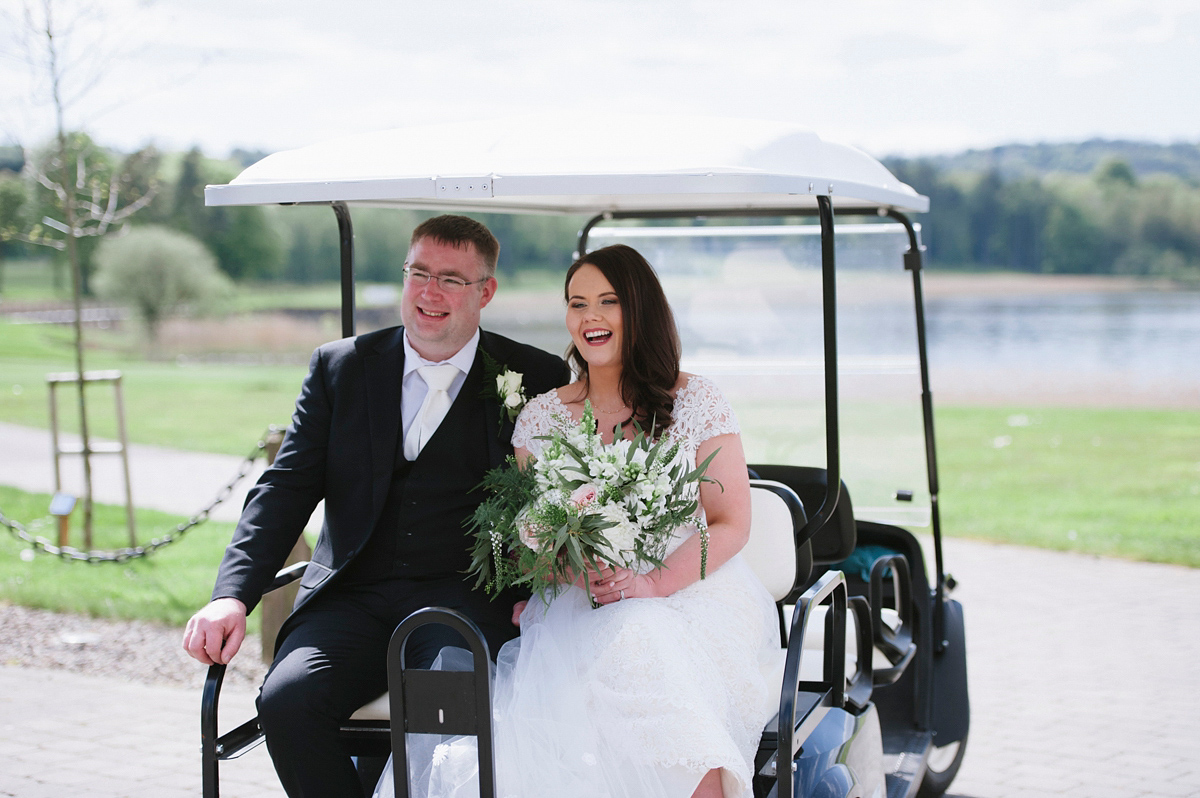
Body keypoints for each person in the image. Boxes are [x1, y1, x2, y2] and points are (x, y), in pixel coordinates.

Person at [181, 214, 572, 798]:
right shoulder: (342, 367)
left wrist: (532, 591)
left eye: (451, 279)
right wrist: (230, 595)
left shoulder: (535, 375)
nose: (429, 292)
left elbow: (551, 501)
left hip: (463, 599)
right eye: (419, 272)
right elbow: (284, 487)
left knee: (449, 709)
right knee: (287, 701)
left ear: (485, 291)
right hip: (351, 598)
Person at [376, 244, 778, 798]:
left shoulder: (697, 401)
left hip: (690, 590)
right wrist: (567, 568)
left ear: (640, 311)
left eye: (608, 302)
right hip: (580, 596)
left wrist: (652, 584)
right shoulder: (542, 416)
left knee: (641, 639)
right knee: (610, 651)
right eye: (577, 303)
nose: (590, 317)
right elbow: (522, 540)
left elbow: (731, 522)